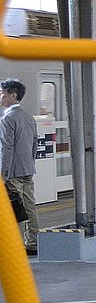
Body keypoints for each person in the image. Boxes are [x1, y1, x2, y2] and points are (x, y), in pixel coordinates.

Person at [1, 80, 39, 254]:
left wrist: (4, 173)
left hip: (13, 171)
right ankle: (33, 242)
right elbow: (34, 143)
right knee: (29, 206)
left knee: (13, 207)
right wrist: (31, 163)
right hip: (27, 169)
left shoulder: (8, 117)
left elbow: (6, 147)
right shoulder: (28, 117)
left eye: (3, 93)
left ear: (13, 95)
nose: (1, 96)